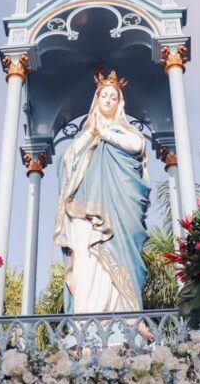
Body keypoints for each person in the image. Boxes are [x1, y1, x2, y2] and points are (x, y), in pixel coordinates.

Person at [53, 69, 150, 313]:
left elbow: (136, 145)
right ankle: (86, 320)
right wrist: (91, 136)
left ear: (119, 103)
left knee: (122, 255)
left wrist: (104, 133)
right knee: (87, 258)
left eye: (113, 97)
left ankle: (126, 318)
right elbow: (68, 161)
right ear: (97, 99)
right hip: (86, 210)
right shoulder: (86, 134)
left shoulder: (127, 132)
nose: (108, 100)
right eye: (104, 96)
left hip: (119, 210)